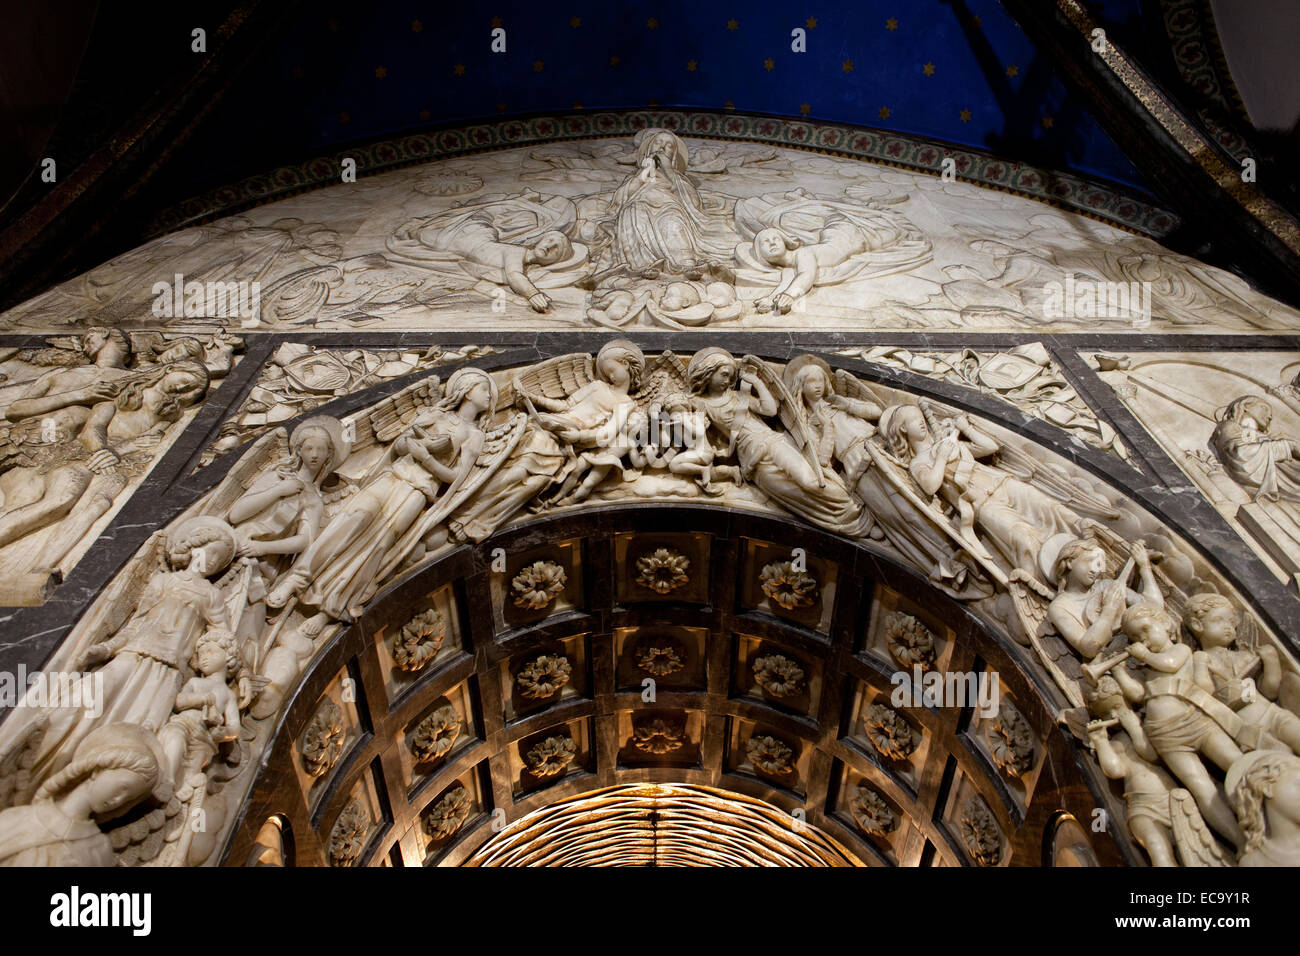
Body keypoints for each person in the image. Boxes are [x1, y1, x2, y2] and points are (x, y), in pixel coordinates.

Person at [268, 368, 495, 621]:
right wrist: (412, 444)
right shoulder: (434, 414)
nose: (490, 396)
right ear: (466, 388)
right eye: (484, 388)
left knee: (380, 543)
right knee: (352, 518)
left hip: (417, 491)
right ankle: (296, 579)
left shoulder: (475, 436)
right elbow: (398, 445)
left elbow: (456, 478)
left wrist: (427, 458)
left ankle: (337, 598)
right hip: (394, 476)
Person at [880, 402, 1086, 580]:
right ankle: (1043, 582)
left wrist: (965, 428)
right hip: (981, 504)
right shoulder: (918, 463)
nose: (921, 421)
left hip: (1001, 483)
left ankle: (1088, 535)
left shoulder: (948, 442)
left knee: (1049, 506)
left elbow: (990, 447)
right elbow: (930, 486)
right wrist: (941, 458)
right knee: (1021, 536)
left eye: (920, 416)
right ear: (903, 429)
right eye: (914, 419)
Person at [687, 348, 868, 536]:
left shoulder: (736, 397)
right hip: (751, 460)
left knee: (811, 483)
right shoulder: (699, 403)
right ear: (709, 371)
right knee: (790, 495)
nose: (727, 380)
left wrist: (757, 382)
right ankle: (832, 517)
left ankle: (850, 508)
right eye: (724, 374)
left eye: (731, 376)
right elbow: (684, 423)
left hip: (771, 442)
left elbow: (770, 410)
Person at [0, 723, 171, 867]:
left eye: (128, 799)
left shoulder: (99, 848)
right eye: (122, 788)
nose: (118, 800)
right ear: (98, 770)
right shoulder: (23, 817)